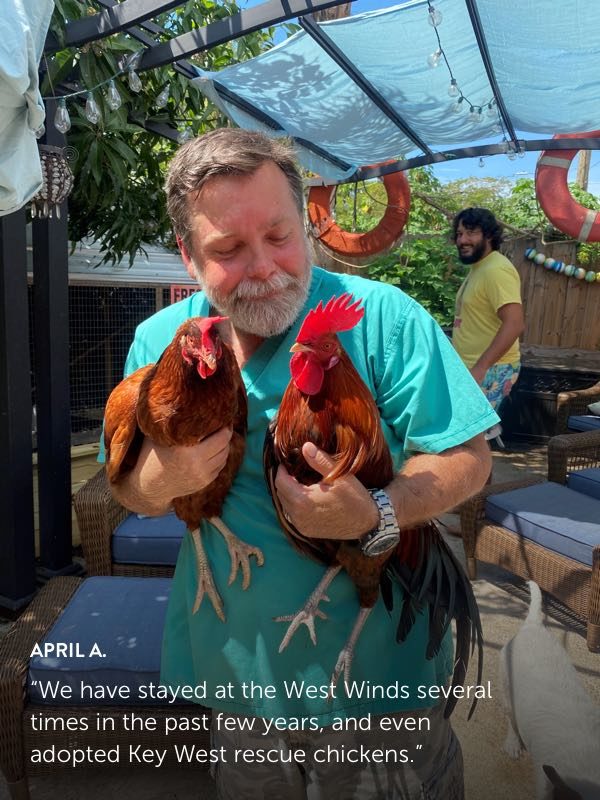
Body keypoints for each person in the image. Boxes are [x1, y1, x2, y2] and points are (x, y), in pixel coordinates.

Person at [105, 129, 497, 799]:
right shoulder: (159, 341)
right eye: (227, 249)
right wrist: (164, 480)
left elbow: (469, 456)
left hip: (374, 681)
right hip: (237, 676)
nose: (263, 267)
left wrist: (379, 511)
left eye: (280, 236)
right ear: (188, 257)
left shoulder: (385, 319)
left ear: (307, 224)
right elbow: (130, 491)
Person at [452, 207, 525, 413]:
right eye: (459, 234)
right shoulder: (480, 268)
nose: (462, 240)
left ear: (489, 235)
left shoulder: (496, 269)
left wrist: (481, 368)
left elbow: (514, 323)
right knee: (470, 430)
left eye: (471, 232)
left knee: (473, 431)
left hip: (492, 369)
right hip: (474, 367)